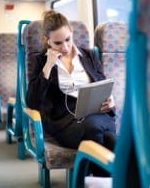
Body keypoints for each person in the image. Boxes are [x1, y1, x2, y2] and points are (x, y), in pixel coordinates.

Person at [26, 10, 117, 152]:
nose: (65, 47)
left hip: (97, 115)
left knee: (95, 128)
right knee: (111, 140)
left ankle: (85, 174)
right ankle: (95, 174)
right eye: (57, 43)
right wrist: (48, 66)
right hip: (65, 123)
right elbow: (32, 102)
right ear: (47, 40)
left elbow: (103, 86)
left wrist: (110, 101)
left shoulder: (89, 56)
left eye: (67, 39)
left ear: (72, 33)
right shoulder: (42, 61)